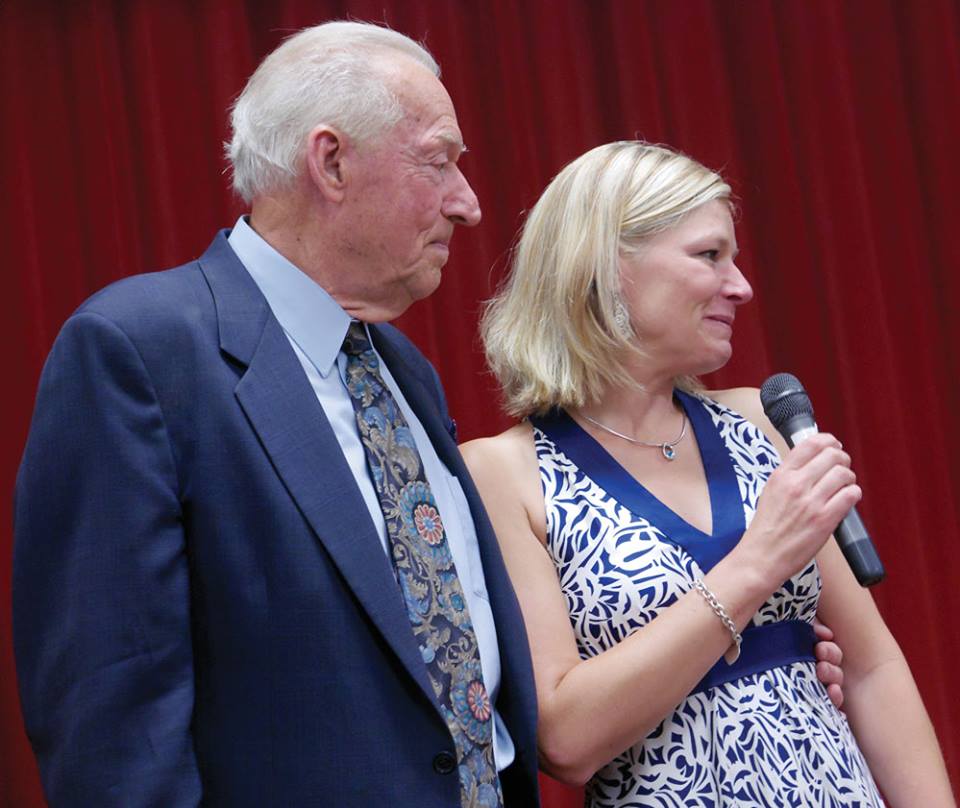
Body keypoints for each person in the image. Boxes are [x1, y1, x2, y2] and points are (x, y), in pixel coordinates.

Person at [12, 22, 541, 807]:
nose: (468, 204)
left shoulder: (402, 369)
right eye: (438, 162)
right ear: (330, 162)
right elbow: (114, 728)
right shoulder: (138, 352)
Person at [462, 141, 956, 806]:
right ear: (608, 266)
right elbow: (567, 740)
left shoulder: (758, 421)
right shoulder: (503, 472)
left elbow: (869, 669)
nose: (742, 285)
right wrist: (754, 567)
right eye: (709, 255)